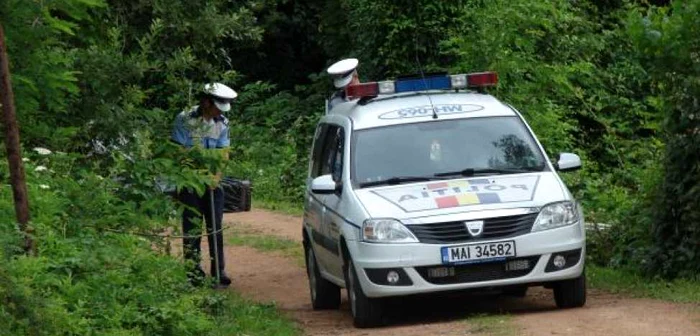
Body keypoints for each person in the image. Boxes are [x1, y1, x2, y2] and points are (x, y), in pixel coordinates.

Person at [171, 82, 237, 287]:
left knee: (215, 226)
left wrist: (215, 178)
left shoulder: (223, 122)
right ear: (206, 102)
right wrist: (196, 175)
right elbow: (179, 151)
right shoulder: (184, 119)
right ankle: (193, 272)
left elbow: (223, 152)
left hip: (212, 184)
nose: (220, 110)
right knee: (191, 227)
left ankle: (219, 269)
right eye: (217, 105)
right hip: (189, 182)